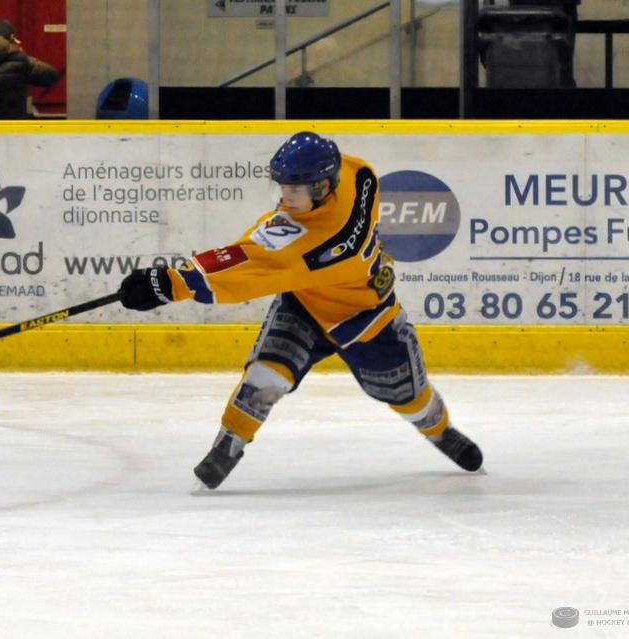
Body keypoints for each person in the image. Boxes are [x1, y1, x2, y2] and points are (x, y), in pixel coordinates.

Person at [119, 132, 484, 490]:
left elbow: (239, 264)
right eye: (284, 187)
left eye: (296, 188)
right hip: (310, 303)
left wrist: (165, 283)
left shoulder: (305, 243)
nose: (285, 197)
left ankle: (439, 431)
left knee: (408, 394)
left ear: (324, 186)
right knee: (266, 375)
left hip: (366, 318)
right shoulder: (361, 175)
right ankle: (228, 444)